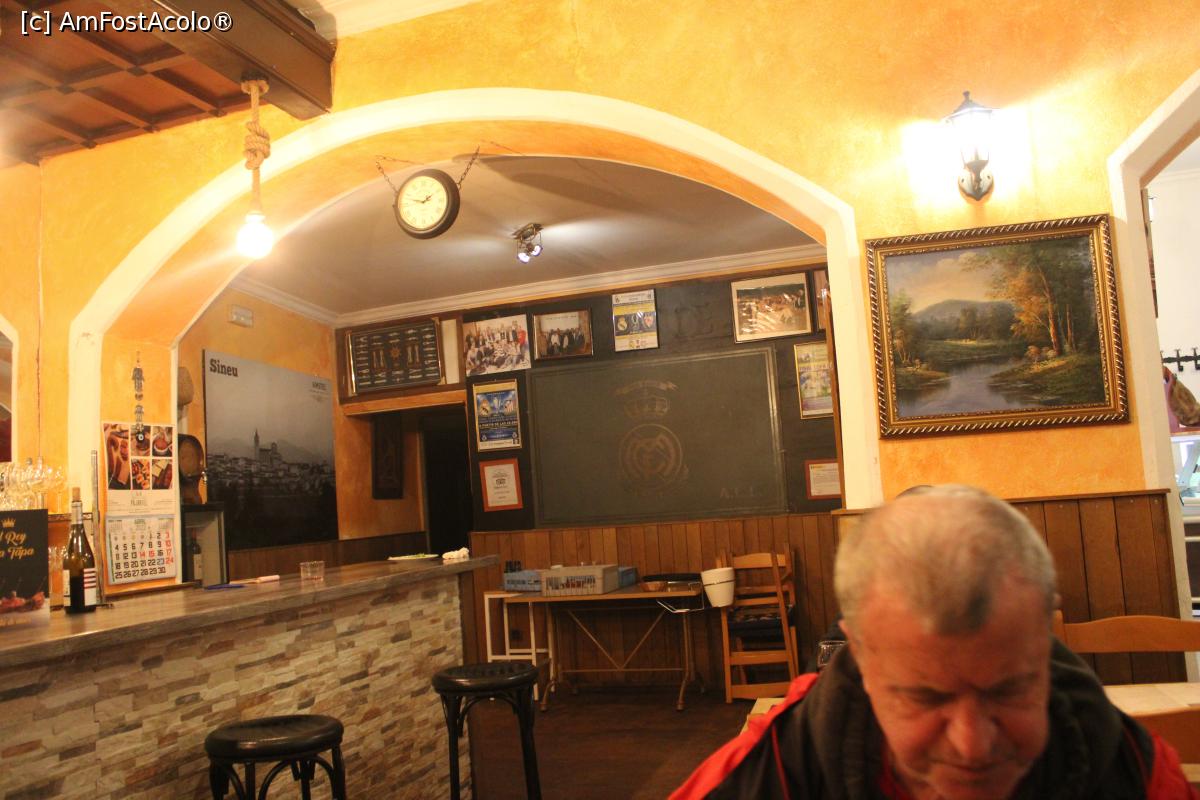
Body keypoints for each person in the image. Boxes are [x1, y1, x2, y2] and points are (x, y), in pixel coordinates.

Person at [672, 485, 1196, 799]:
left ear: (1044, 636)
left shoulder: (1135, 773)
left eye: (1009, 689)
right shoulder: (768, 774)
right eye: (925, 697)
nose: (972, 745)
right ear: (861, 656)